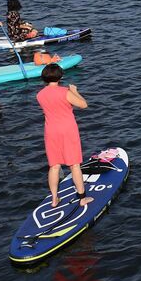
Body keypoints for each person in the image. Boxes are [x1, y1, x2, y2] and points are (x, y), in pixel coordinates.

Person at [37, 62, 90, 209]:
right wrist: (74, 91)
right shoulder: (65, 92)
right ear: (60, 77)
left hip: (51, 131)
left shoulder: (40, 95)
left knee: (54, 166)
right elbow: (83, 105)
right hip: (67, 130)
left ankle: (54, 199)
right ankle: (82, 198)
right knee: (74, 164)